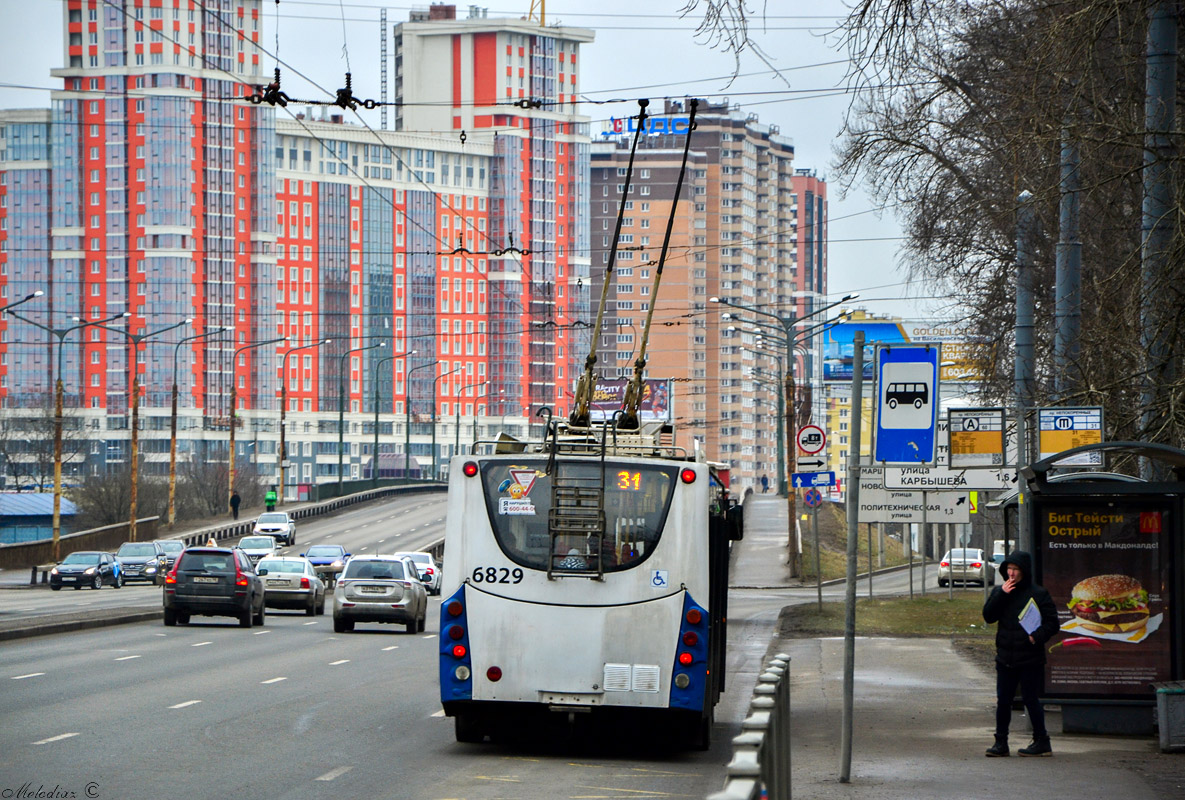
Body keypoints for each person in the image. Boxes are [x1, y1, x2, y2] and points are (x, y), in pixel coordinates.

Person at [982, 550, 1059, 757]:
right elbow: (988, 616)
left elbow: (1053, 623)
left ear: (1024, 571)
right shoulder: (1001, 591)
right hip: (1005, 656)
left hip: (1030, 657)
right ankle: (1000, 743)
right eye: (1009, 569)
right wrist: (1000, 594)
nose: (1012, 573)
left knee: (1030, 699)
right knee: (1003, 701)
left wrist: (1037, 636)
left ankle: (1042, 740)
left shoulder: (1038, 593)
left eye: (1015, 569)